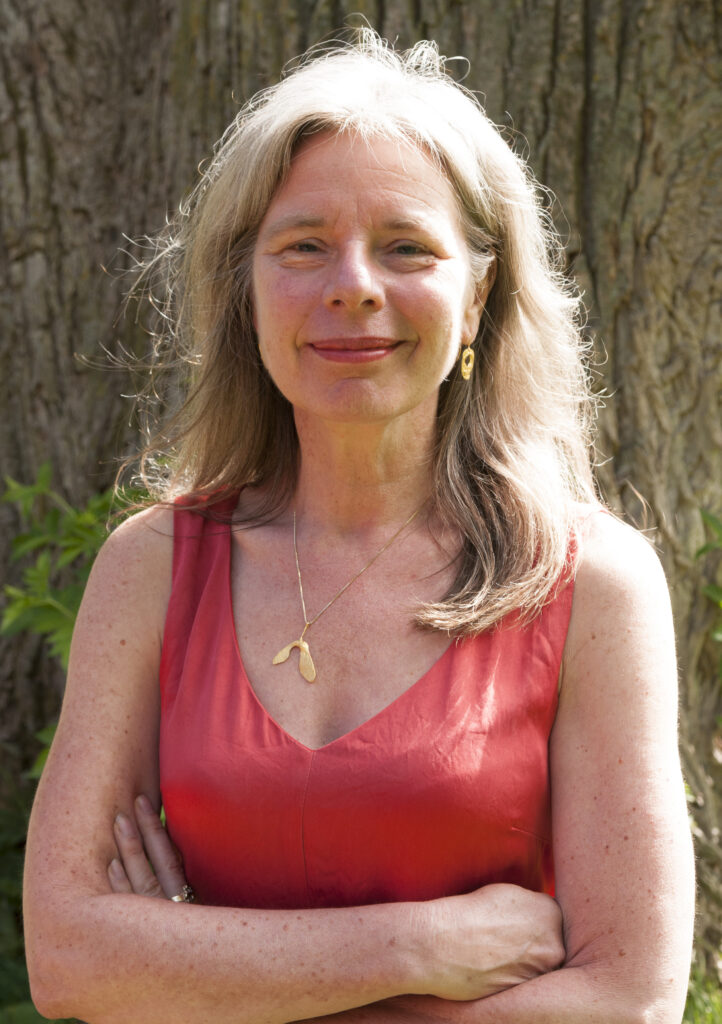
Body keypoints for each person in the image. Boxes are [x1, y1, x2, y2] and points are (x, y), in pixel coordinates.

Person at [24, 29, 694, 1024]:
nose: (354, 284)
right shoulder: (153, 567)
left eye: (405, 246)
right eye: (303, 245)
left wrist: (192, 972)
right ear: (246, 289)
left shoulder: (589, 583)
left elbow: (628, 997)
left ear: (477, 296)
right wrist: (419, 945)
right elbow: (70, 956)